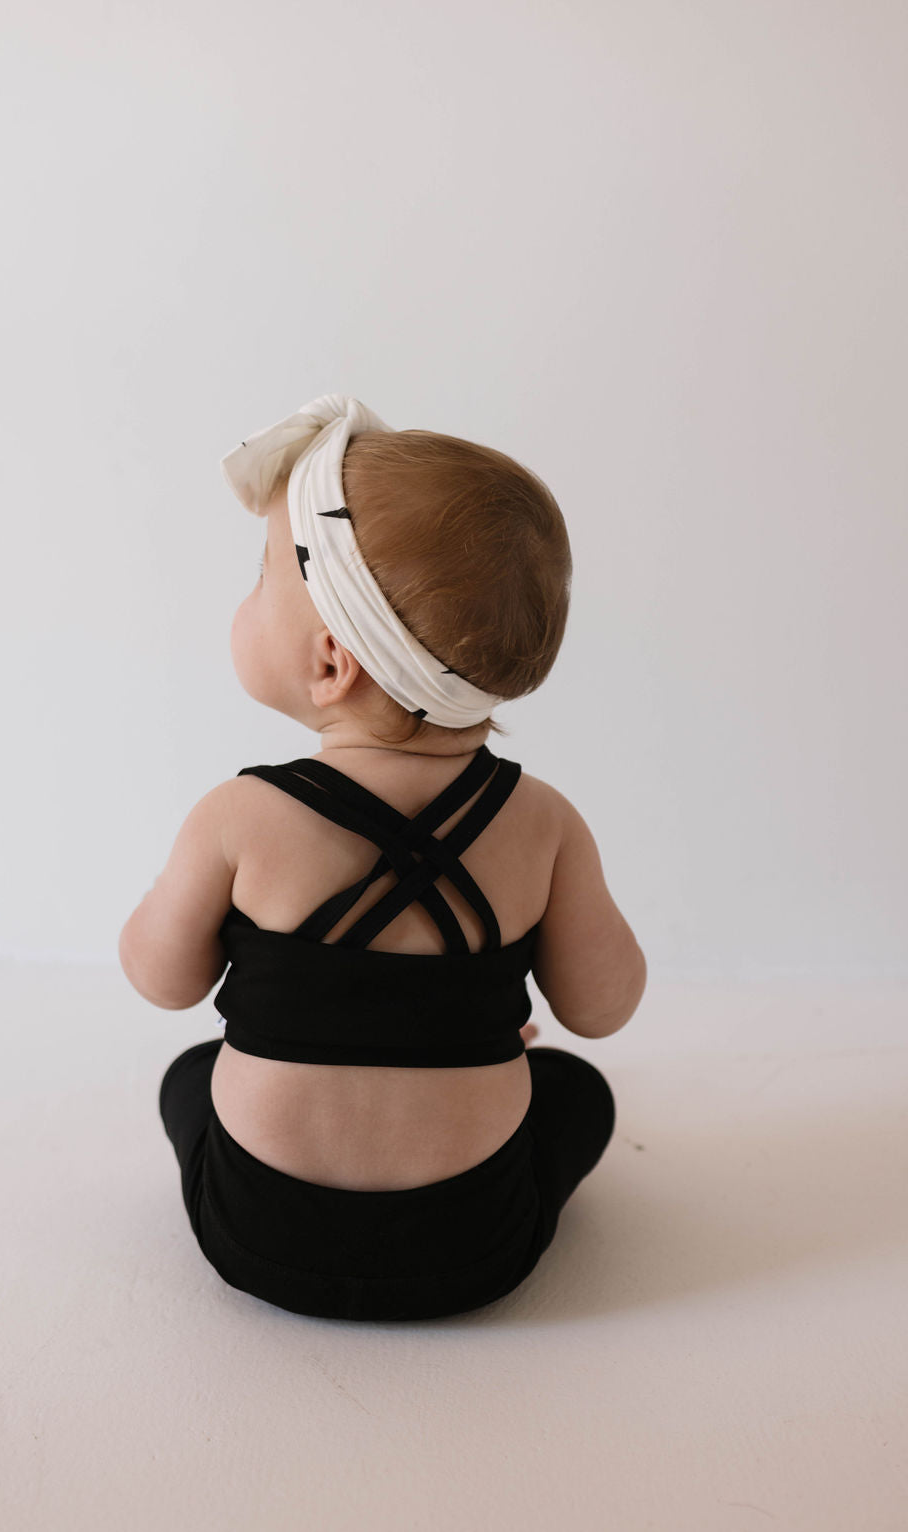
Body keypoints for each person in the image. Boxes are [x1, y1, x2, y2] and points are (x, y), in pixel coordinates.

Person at [119, 394, 647, 1323]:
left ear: (331, 663)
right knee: (578, 1090)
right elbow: (603, 1008)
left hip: (259, 1230)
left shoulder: (239, 816)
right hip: (476, 1243)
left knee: (189, 1074)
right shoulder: (544, 822)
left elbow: (163, 981)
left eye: (260, 575)